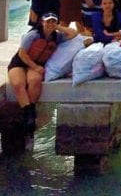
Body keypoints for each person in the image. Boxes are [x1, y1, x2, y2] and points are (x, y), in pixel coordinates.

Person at [7, 12, 78, 148]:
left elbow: (73, 33)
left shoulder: (57, 37)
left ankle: (31, 111)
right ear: (42, 22)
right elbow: (22, 53)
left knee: (34, 81)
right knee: (18, 83)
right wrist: (34, 66)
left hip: (37, 65)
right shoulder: (33, 34)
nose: (50, 24)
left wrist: (58, 28)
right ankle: (28, 113)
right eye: (47, 21)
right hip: (22, 62)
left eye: (53, 21)